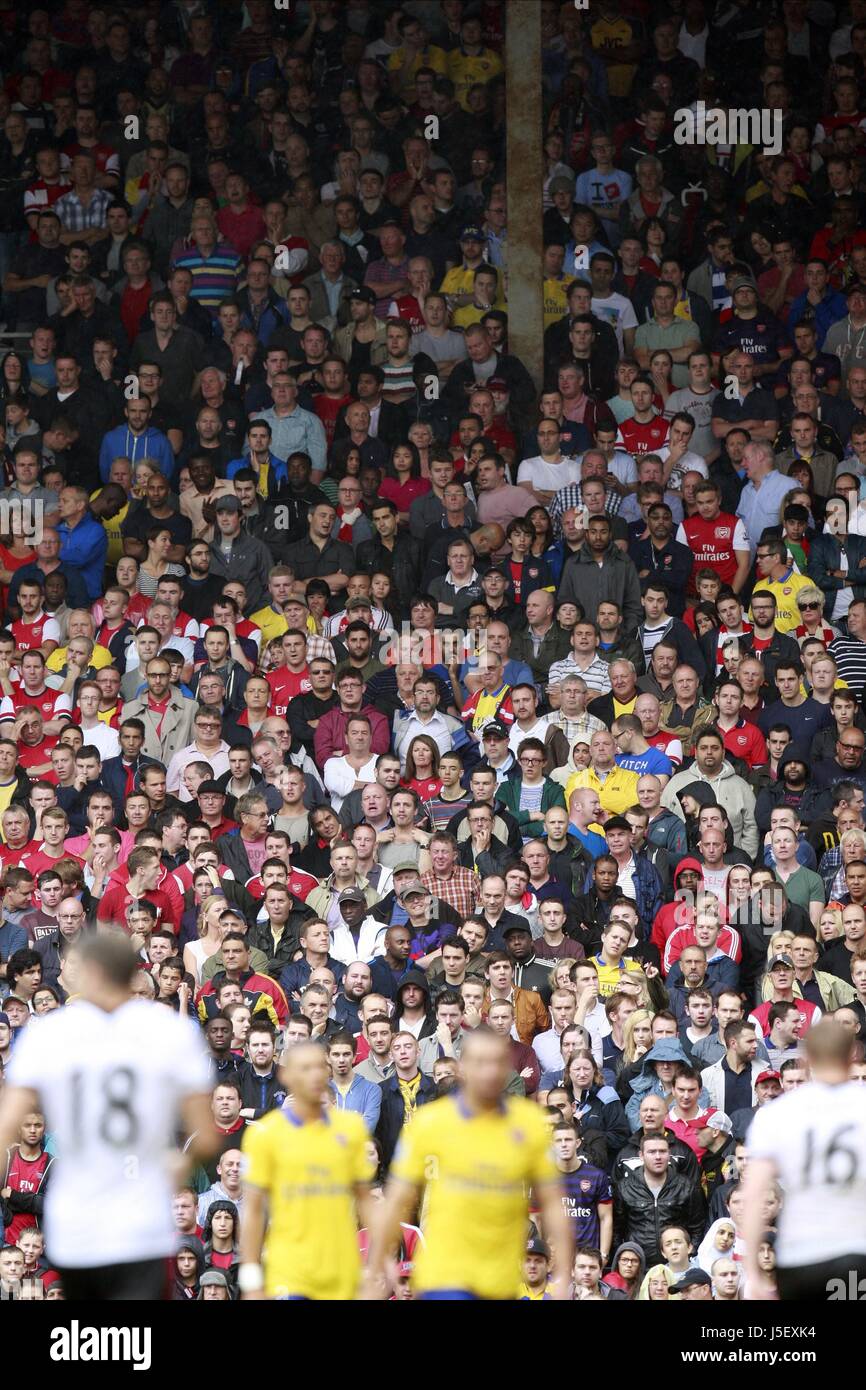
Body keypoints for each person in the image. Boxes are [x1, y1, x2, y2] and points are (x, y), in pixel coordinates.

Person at [0, 935, 215, 1300]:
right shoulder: (170, 1031)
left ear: (91, 972)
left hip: (75, 1225)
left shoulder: (50, 1033)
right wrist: (176, 1166)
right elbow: (207, 1137)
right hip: (142, 1223)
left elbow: (5, 1129)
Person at [368, 1028, 573, 1300]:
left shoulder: (529, 1123)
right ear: (463, 1066)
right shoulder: (429, 1123)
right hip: (444, 1275)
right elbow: (396, 1199)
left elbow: (553, 1205)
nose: (489, 1071)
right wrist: (377, 1265)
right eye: (479, 1062)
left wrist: (563, 1276)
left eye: (497, 1062)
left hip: (500, 1278)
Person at [742, 1020, 866, 1300]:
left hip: (800, 1255)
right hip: (857, 1252)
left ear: (805, 1059)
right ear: (851, 1056)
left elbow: (753, 1193)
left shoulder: (777, 1113)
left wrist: (752, 1271)